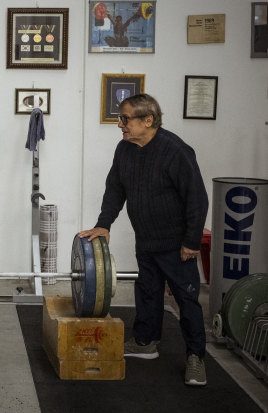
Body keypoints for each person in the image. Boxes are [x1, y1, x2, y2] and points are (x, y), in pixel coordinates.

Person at [78, 94, 209, 387]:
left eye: (125, 119)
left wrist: (191, 241)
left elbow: (197, 199)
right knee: (147, 292)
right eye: (120, 118)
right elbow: (115, 189)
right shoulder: (125, 149)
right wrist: (103, 224)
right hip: (146, 240)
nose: (120, 125)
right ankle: (146, 343)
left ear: (148, 120)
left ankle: (196, 358)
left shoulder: (175, 150)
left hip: (177, 245)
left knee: (187, 300)